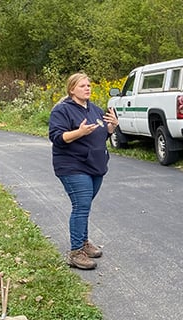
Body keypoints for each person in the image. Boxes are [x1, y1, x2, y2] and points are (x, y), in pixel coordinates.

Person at [48, 72, 118, 270]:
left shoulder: (95, 109)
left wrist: (112, 127)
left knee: (84, 205)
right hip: (72, 165)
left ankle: (84, 242)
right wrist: (78, 132)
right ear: (72, 90)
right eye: (82, 86)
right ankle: (76, 252)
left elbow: (100, 136)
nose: (87, 88)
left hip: (95, 165)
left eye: (88, 85)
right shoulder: (62, 110)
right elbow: (57, 138)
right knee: (81, 205)